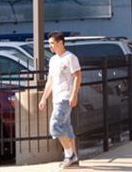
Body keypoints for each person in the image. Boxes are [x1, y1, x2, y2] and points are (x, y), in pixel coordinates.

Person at [38, 31, 82, 169]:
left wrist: (73, 95)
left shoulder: (70, 58)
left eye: (52, 43)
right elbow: (50, 81)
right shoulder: (53, 60)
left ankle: (69, 155)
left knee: (55, 126)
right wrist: (44, 98)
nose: (49, 46)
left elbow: (77, 76)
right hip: (56, 97)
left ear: (60, 42)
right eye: (49, 43)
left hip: (65, 97)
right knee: (67, 128)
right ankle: (74, 157)